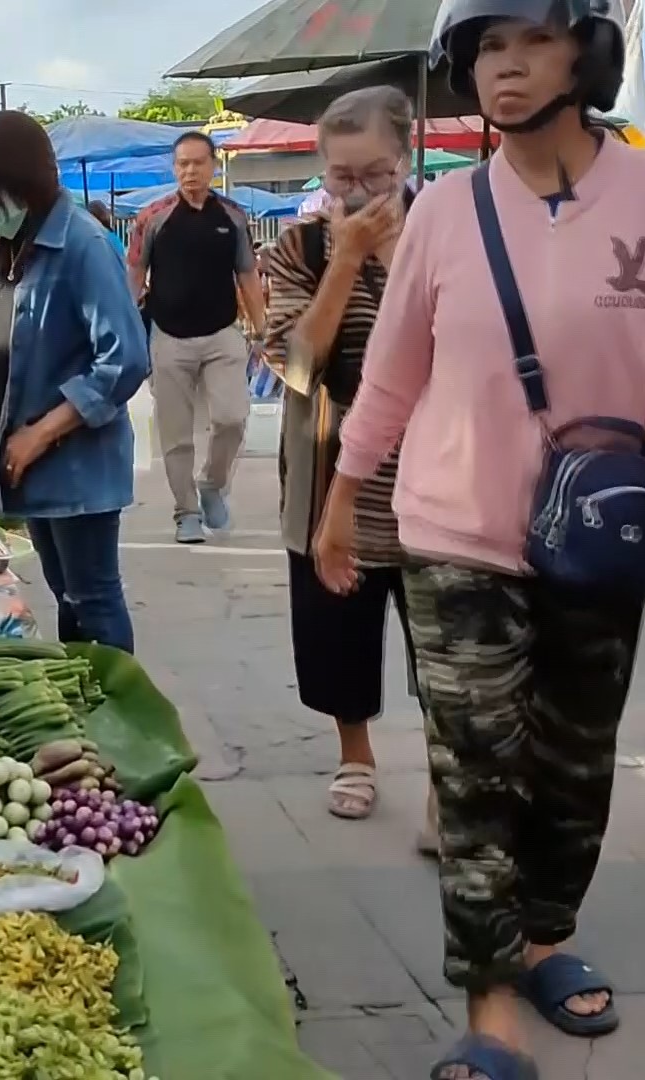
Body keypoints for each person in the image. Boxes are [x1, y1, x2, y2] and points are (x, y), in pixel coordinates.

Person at [312, 1, 645, 1074]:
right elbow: (395, 369)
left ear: (583, 54)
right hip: (455, 533)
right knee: (478, 773)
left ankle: (550, 935)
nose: (506, 69)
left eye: (532, 42)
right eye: (488, 47)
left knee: (575, 760)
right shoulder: (448, 212)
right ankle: (491, 1003)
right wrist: (341, 494)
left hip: (601, 533)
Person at [259, 86, 419, 823]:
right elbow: (295, 367)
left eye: (375, 175)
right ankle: (355, 753)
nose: (357, 193)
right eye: (340, 177)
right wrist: (347, 262)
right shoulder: (301, 248)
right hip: (329, 467)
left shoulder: (446, 235)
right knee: (337, 634)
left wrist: (399, 263)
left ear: (407, 158)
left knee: (449, 645)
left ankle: (450, 784)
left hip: (431, 475)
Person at [0, 111, 150, 653]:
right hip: (34, 461)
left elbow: (126, 359)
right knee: (68, 597)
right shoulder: (22, 249)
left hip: (77, 461)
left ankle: (119, 713)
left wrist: (42, 432)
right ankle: (86, 701)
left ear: (19, 185)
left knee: (93, 597)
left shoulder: (84, 246)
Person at [127, 131, 268, 543]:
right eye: (182, 164)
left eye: (198, 163)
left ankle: (212, 485)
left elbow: (247, 274)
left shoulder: (233, 216)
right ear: (174, 168)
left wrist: (262, 329)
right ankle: (185, 511)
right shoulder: (152, 216)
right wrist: (123, 322)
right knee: (176, 434)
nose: (190, 171)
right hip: (168, 337)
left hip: (223, 333)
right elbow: (135, 271)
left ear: (214, 166)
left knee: (232, 419)